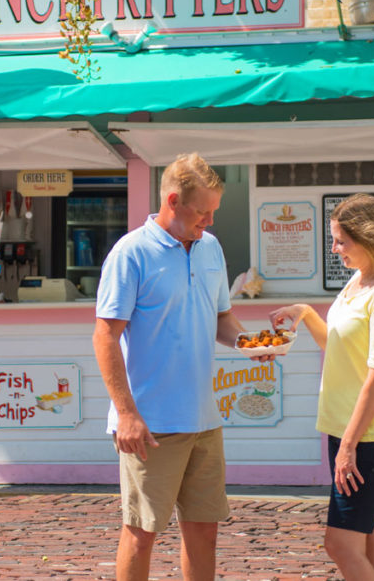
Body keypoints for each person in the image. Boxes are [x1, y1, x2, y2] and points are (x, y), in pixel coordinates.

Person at [93, 152, 255, 581]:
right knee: (141, 532)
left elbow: (220, 317)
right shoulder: (131, 253)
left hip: (204, 418)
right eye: (203, 211)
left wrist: (249, 343)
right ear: (172, 201)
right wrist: (126, 415)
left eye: (213, 211)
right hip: (151, 425)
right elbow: (104, 336)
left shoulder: (211, 247)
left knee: (204, 532)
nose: (210, 221)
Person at [269, 193, 374, 581]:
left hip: (372, 438)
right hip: (347, 431)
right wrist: (306, 313)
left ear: (369, 238)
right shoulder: (358, 282)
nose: (335, 249)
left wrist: (348, 446)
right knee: (368, 536)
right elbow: (340, 347)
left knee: (340, 544)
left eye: (342, 240)